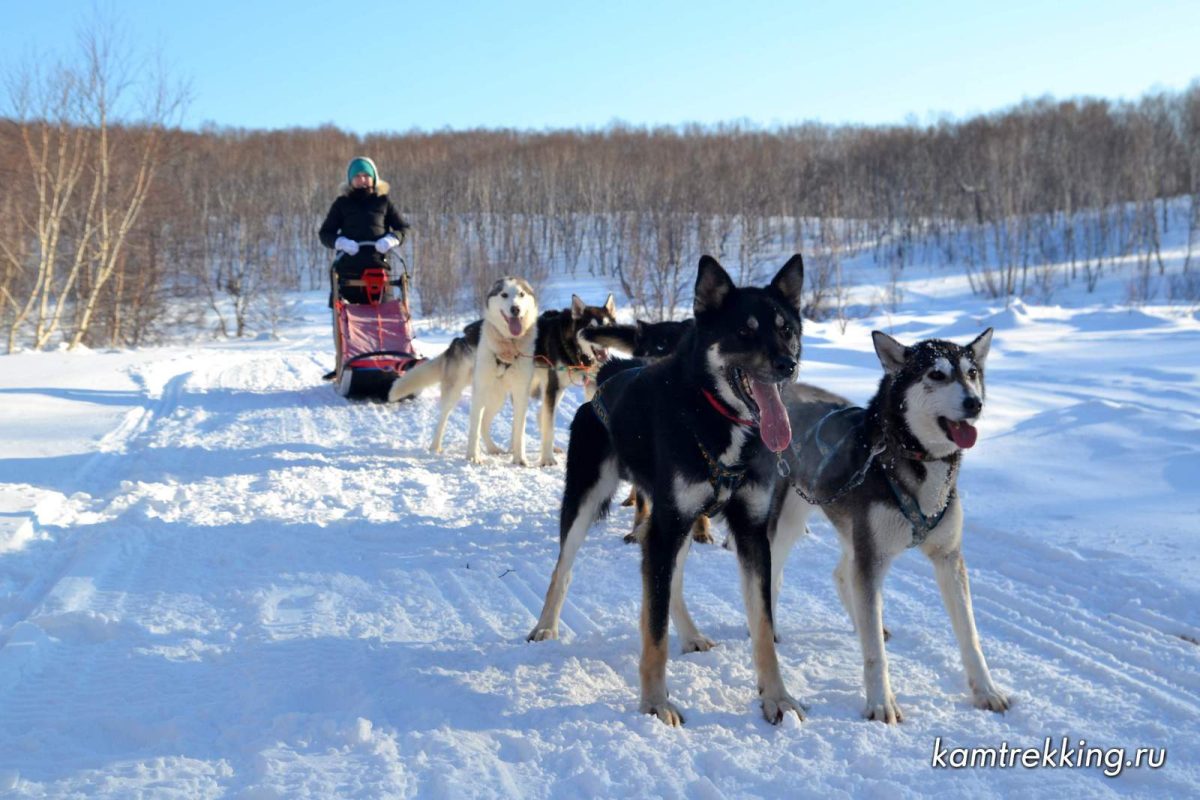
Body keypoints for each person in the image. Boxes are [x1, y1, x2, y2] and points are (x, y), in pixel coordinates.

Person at [318, 156, 410, 304]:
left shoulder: (384, 202)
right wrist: (341, 242)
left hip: (379, 274)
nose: (362, 180)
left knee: (385, 322)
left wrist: (392, 239)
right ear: (350, 180)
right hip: (348, 276)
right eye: (357, 176)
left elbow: (404, 228)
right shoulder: (342, 203)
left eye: (366, 175)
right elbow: (325, 234)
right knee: (349, 323)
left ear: (374, 178)